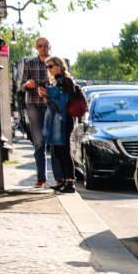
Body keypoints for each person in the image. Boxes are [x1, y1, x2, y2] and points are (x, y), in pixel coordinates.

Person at [18, 36, 54, 187]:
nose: (43, 48)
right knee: (39, 143)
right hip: (33, 105)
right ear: (36, 47)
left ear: (50, 46)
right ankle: (41, 179)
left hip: (51, 105)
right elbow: (22, 86)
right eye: (40, 46)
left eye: (45, 45)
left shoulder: (54, 63)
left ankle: (60, 178)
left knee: (54, 142)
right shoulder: (30, 63)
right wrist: (28, 85)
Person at [42, 57, 77, 193]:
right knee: (57, 150)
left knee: (64, 149)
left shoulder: (66, 80)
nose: (48, 70)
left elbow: (65, 100)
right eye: (47, 67)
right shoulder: (56, 81)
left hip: (65, 119)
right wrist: (46, 96)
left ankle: (70, 182)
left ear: (59, 66)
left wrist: (49, 94)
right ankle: (63, 180)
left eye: (50, 66)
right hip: (57, 118)